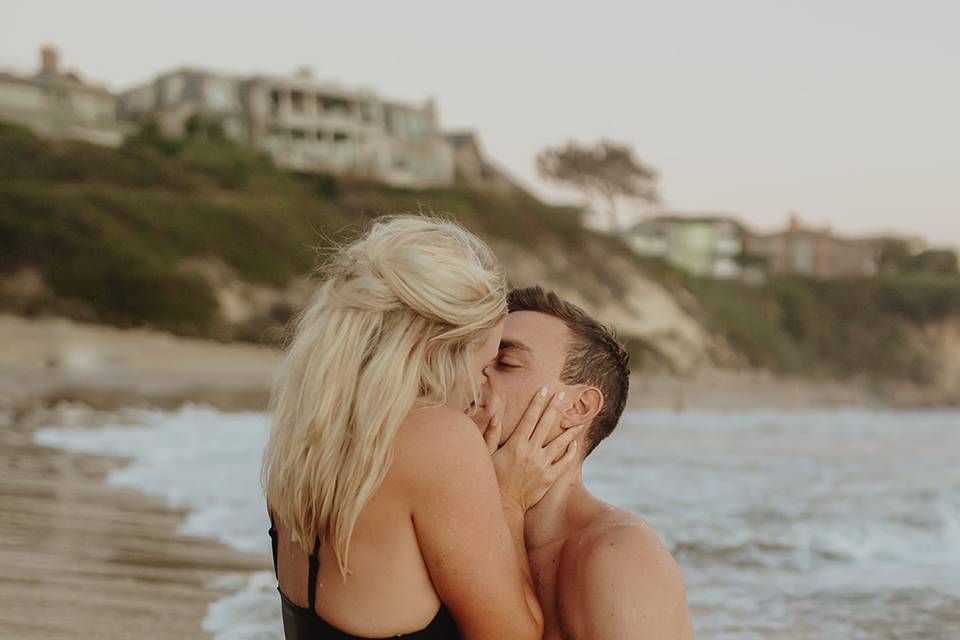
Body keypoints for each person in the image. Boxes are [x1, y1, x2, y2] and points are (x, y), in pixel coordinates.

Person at [260, 216, 581, 640]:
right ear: (434, 353)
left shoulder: (304, 439)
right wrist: (508, 498)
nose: (481, 389)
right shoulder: (438, 440)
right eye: (484, 365)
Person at [474, 285, 695, 640]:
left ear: (578, 408)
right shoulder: (452, 530)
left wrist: (507, 500)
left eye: (506, 362)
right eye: (477, 360)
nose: (475, 375)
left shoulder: (619, 555)